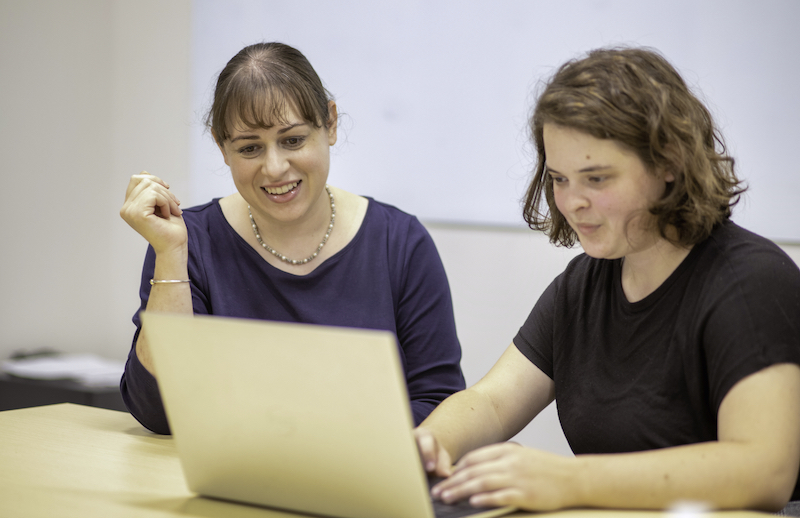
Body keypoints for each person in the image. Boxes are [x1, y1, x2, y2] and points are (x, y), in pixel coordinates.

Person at [415, 46, 800, 513]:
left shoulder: (750, 282)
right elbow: (492, 403)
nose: (572, 202)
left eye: (596, 179)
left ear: (669, 164)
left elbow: (764, 471)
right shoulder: (582, 284)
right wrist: (429, 444)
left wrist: (566, 479)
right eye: (559, 178)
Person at [119, 42, 465, 435]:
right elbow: (158, 413)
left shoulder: (399, 242)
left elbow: (440, 403)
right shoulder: (187, 241)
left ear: (330, 123)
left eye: (293, 140)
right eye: (250, 148)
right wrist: (169, 252)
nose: (275, 167)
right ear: (221, 146)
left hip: (364, 482)